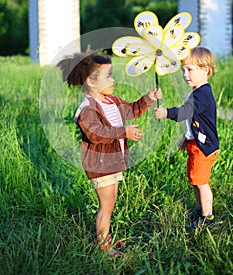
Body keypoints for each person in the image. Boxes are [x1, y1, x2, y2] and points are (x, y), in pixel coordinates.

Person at [58, 52, 162, 255]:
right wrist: (125, 132)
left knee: (111, 199)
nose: (113, 80)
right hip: (100, 164)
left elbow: (131, 110)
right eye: (108, 76)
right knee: (106, 205)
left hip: (112, 162)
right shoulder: (87, 109)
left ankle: (103, 236)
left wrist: (148, 99)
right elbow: (97, 134)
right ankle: (104, 247)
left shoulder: (111, 101)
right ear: (90, 81)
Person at [155, 47, 220, 229]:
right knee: (195, 180)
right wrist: (186, 137)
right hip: (196, 143)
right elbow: (194, 120)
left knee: (201, 182)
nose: (185, 74)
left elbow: (185, 112)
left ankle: (207, 217)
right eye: (183, 70)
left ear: (205, 70)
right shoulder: (197, 92)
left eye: (190, 70)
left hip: (204, 147)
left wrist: (166, 112)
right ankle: (200, 208)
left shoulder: (203, 94)